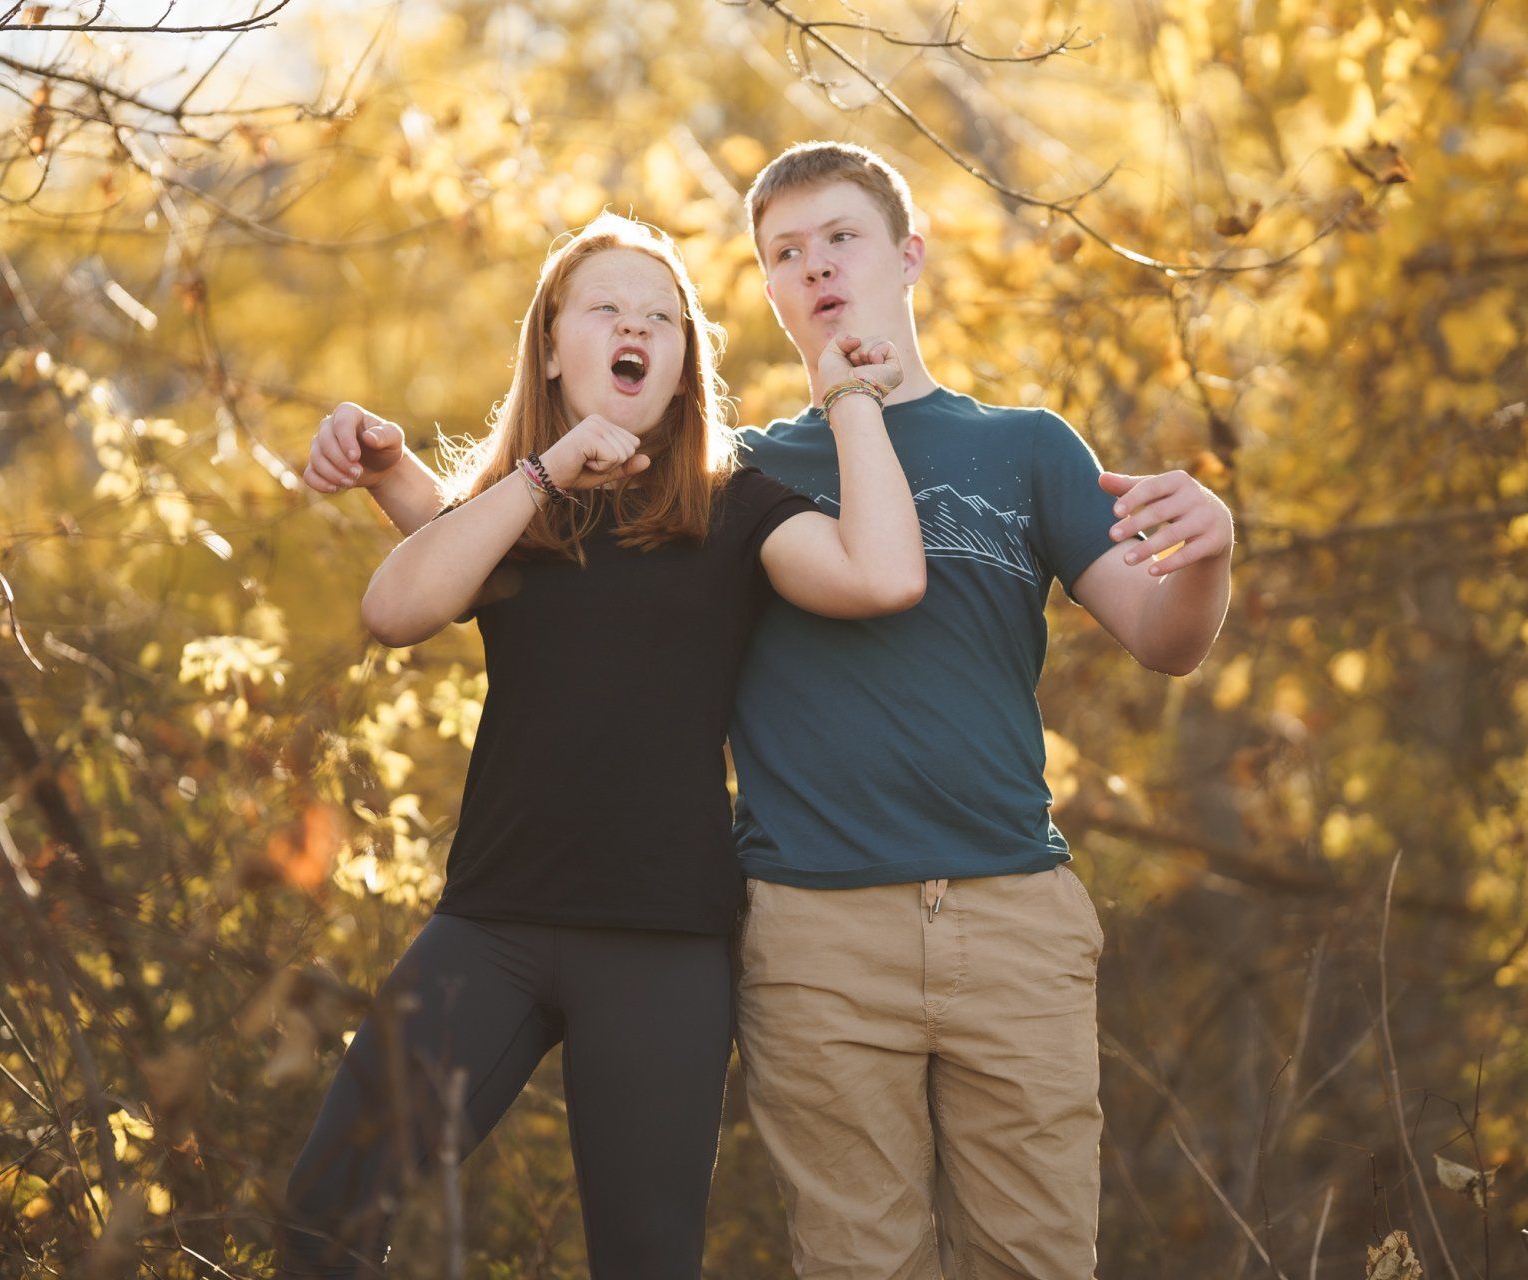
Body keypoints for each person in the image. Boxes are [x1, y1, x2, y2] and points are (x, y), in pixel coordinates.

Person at [308, 142, 1235, 1279]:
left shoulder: (979, 454)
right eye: (785, 253)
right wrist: (395, 466)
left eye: (840, 237)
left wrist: (1210, 553)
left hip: (999, 910)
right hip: (809, 927)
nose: (816, 266)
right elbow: (512, 570)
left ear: (908, 255)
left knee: (1035, 1258)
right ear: (764, 293)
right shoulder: (710, 477)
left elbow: (1162, 639)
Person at [278, 211, 924, 1279]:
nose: (637, 327)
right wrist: (537, 472)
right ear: (551, 344)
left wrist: (849, 396)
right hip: (492, 924)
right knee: (323, 1214)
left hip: (662, 944)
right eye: (607, 308)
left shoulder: (734, 508)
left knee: (645, 1260)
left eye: (662, 318)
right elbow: (397, 607)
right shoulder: (517, 513)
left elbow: (884, 575)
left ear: (682, 365)